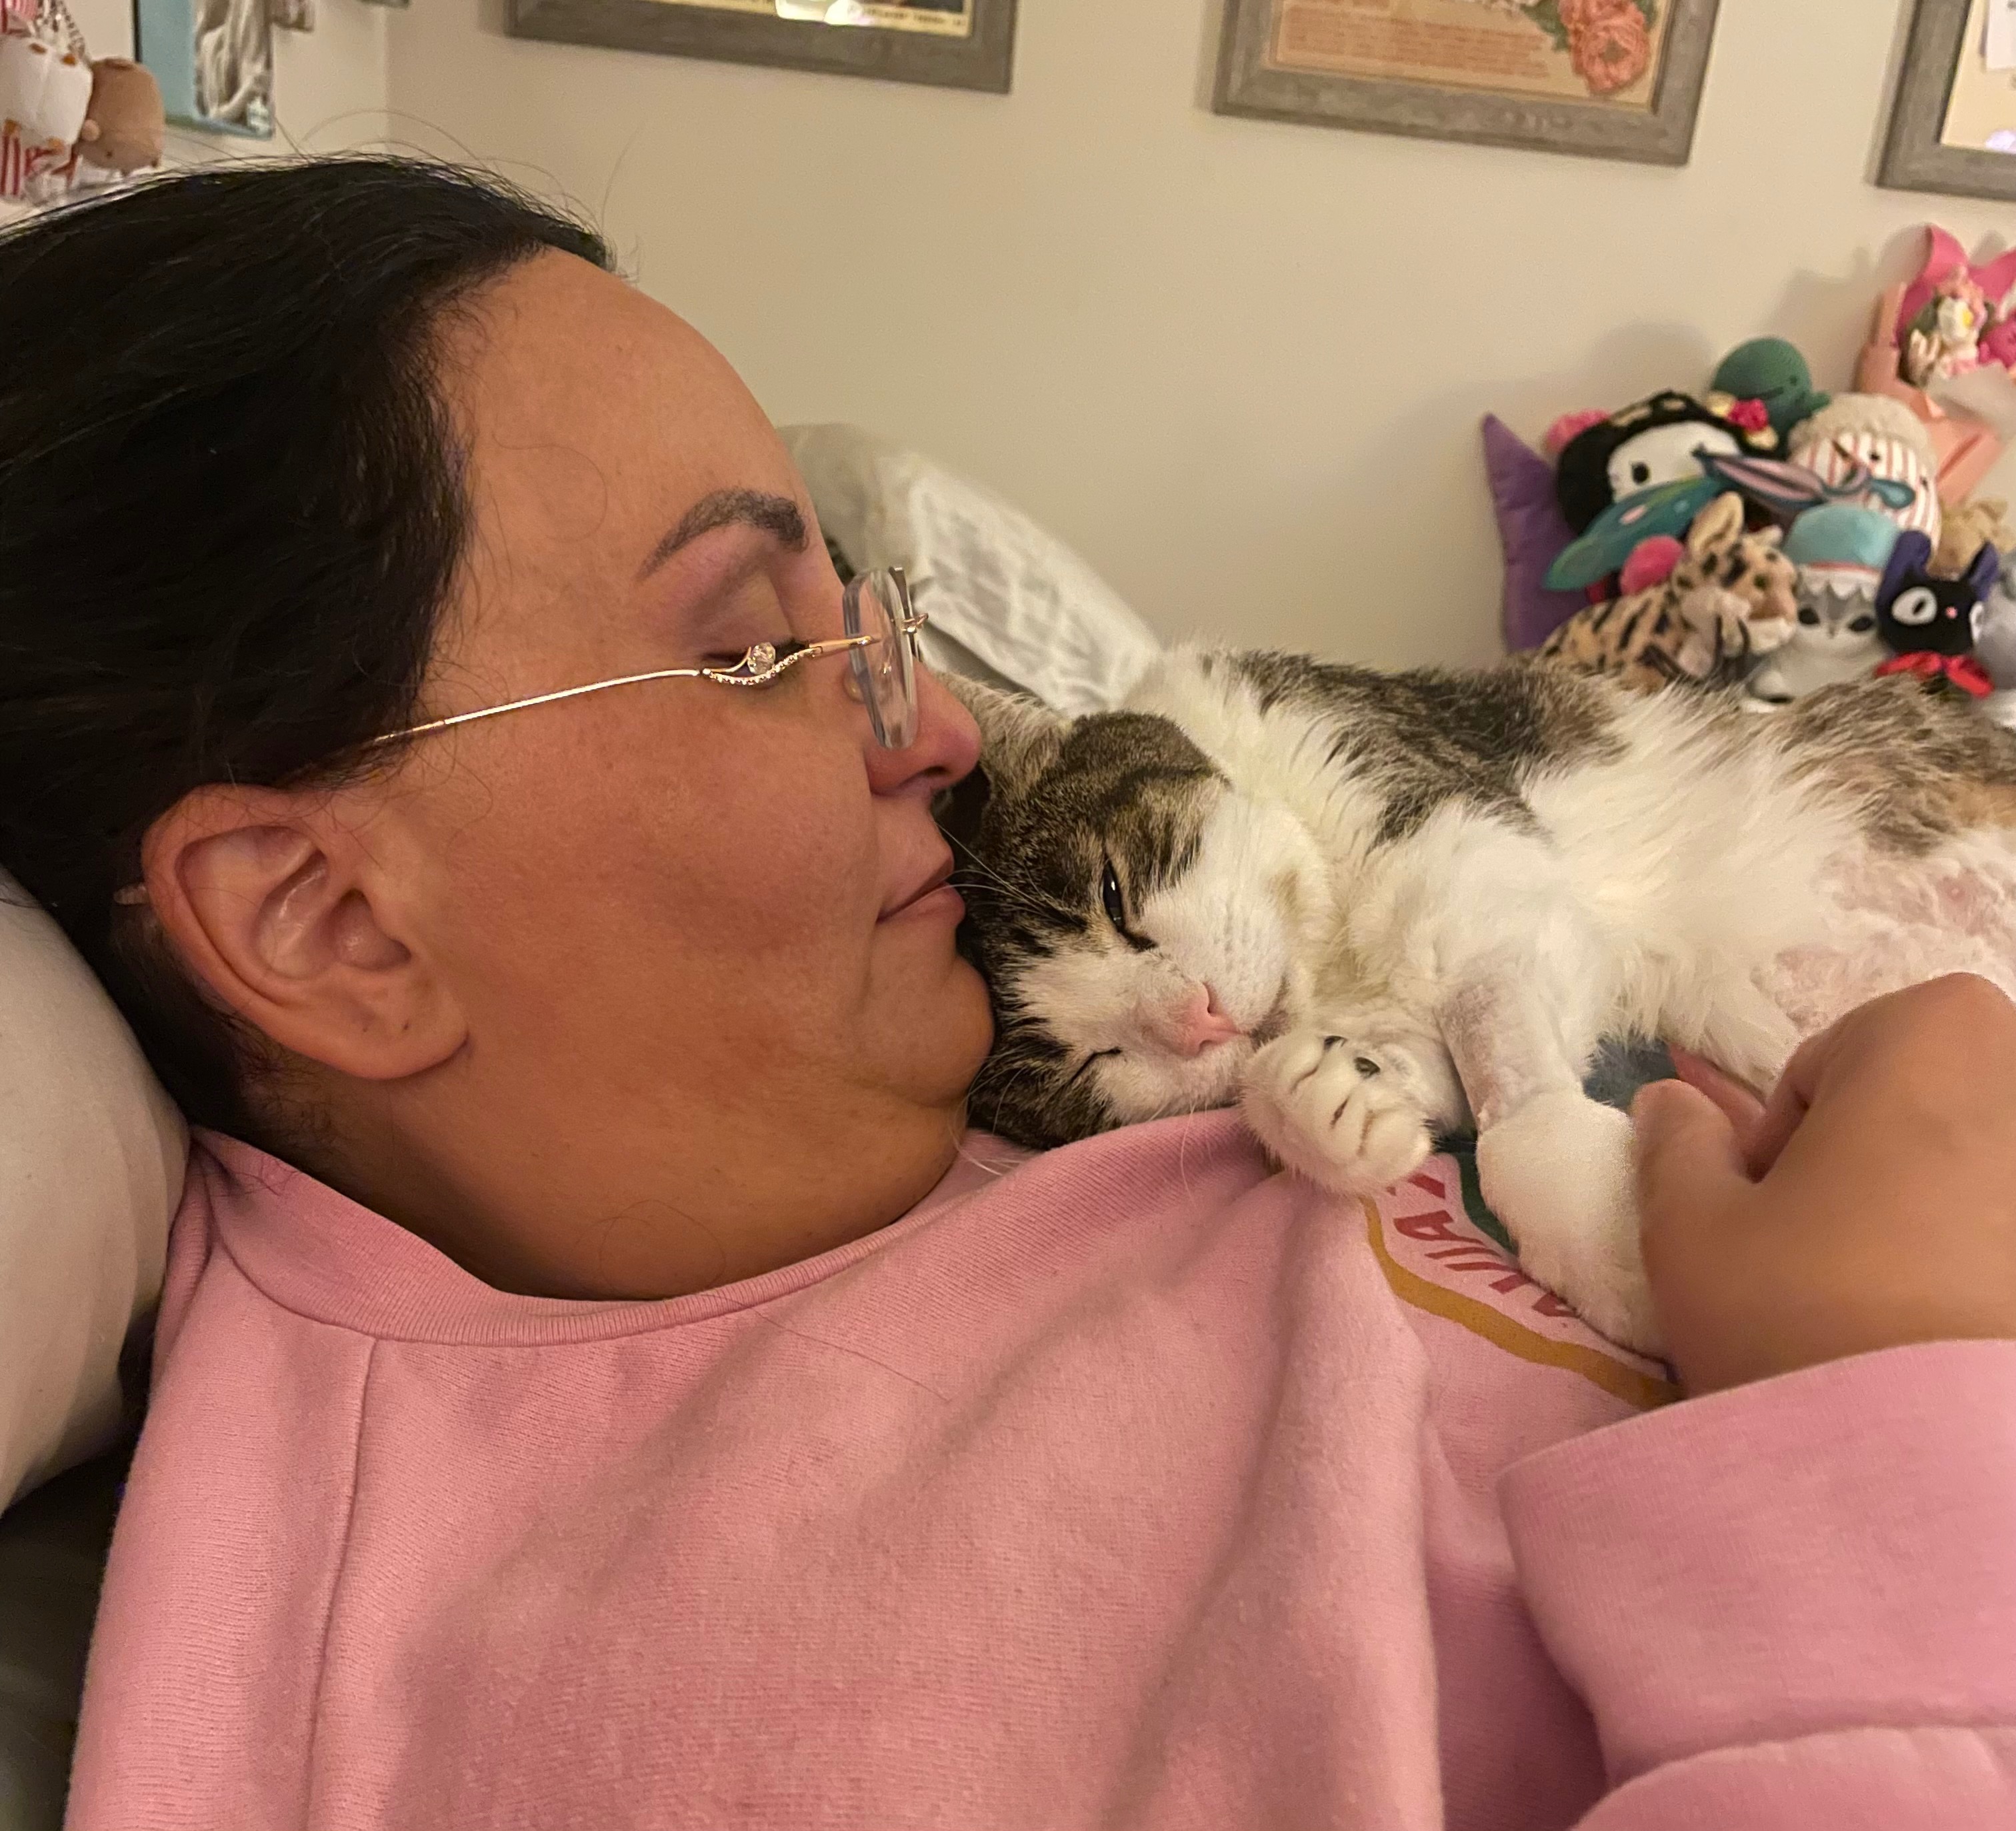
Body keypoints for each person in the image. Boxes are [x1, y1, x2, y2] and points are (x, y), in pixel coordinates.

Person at [1, 159, 2009, 1830]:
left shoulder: (930, 1069)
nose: (945, 732)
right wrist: (1888, 1427)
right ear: (330, 923)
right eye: (752, 648)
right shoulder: (565, 1672)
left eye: (861, 616)